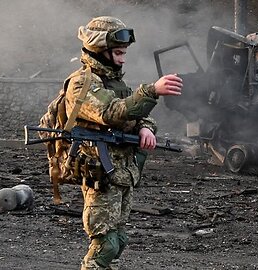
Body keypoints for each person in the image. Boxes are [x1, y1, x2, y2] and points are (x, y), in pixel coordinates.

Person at [67, 16, 182, 270]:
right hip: (101, 174)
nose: (123, 59)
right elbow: (110, 112)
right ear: (99, 49)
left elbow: (139, 116)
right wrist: (151, 91)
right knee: (104, 246)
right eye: (118, 52)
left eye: (124, 52)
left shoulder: (115, 83)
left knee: (118, 241)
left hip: (121, 173)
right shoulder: (82, 83)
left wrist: (145, 129)